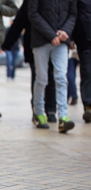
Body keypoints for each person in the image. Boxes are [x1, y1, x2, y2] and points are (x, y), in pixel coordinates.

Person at [2, 0, 57, 123]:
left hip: (49, 43)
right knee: (45, 77)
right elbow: (19, 22)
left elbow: (18, 22)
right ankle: (44, 110)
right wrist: (7, 44)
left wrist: (6, 44)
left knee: (42, 78)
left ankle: (48, 110)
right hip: (36, 45)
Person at [28, 0, 77, 132]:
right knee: (42, 78)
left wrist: (65, 31)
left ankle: (63, 117)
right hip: (41, 40)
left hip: (61, 41)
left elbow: (73, 14)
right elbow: (32, 14)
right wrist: (51, 34)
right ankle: (38, 112)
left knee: (61, 77)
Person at [72, 0, 91, 123]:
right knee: (87, 72)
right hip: (84, 39)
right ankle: (88, 106)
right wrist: (72, 38)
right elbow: (72, 14)